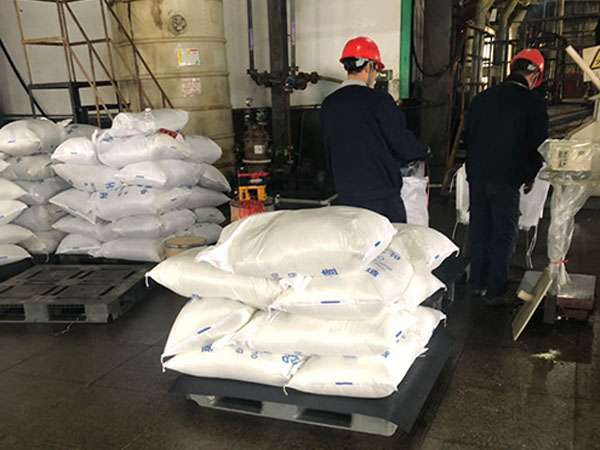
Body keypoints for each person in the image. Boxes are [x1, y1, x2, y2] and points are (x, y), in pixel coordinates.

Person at [464, 48, 548, 306]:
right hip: (506, 178)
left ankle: (476, 283)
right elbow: (538, 144)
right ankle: (496, 290)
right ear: (535, 76)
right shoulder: (533, 102)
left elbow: (468, 136)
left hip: (477, 176)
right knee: (503, 233)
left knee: (479, 229)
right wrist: (531, 174)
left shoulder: (482, 98)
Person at [319, 36, 428, 223]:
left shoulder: (328, 105)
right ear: (369, 67)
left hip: (346, 197)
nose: (376, 75)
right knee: (390, 240)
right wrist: (423, 150)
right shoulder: (379, 101)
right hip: (381, 199)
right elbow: (400, 144)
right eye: (376, 70)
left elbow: (328, 152)